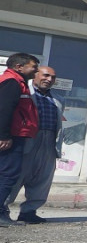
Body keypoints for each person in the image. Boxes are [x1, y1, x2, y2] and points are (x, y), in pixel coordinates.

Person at [5, 66, 64, 224]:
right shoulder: (25, 92)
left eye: (53, 77)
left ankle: (29, 212)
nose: (49, 79)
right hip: (27, 138)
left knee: (42, 178)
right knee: (16, 176)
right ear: (36, 75)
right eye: (46, 75)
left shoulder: (58, 99)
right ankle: (2, 209)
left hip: (49, 141)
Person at [0, 52, 41, 225]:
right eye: (34, 67)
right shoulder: (12, 82)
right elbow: (4, 109)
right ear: (19, 67)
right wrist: (4, 136)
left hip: (14, 135)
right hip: (11, 137)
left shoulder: (17, 82)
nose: (36, 71)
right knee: (8, 174)